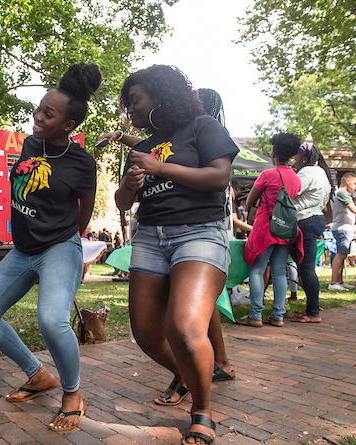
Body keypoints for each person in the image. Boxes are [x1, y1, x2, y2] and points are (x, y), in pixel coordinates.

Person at [0, 62, 100, 432]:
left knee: (51, 320)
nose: (37, 116)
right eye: (39, 108)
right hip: (22, 249)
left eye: (48, 113)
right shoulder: (30, 143)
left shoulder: (82, 162)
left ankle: (72, 393)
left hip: (58, 247)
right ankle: (38, 375)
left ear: (69, 125)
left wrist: (63, 241)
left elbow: (84, 211)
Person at [113, 66, 238, 445]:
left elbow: (219, 177)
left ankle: (202, 411)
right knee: (146, 332)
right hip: (150, 235)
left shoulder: (203, 127)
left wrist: (160, 167)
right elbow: (121, 203)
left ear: (160, 96)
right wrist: (130, 185)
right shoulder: (143, 146)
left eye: (135, 101)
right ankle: (184, 373)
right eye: (127, 104)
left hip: (200, 232)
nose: (129, 110)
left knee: (183, 327)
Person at [239, 133, 302, 328]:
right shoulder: (296, 178)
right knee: (278, 272)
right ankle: (278, 316)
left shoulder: (267, 174)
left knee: (257, 270)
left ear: (274, 153)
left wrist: (257, 201)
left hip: (266, 226)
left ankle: (255, 315)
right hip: (285, 228)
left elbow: (250, 201)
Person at [288, 143, 333, 321]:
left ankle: (313, 312)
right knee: (304, 268)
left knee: (306, 269)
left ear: (304, 158)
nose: (294, 159)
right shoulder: (321, 172)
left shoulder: (307, 173)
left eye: (297, 156)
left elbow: (292, 191)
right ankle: (310, 309)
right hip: (316, 219)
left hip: (304, 221)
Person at [328, 172, 356, 290]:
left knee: (343, 254)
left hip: (343, 227)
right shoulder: (342, 193)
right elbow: (354, 209)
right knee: (340, 254)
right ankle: (334, 282)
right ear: (347, 181)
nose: (355, 187)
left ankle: (339, 280)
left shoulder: (339, 192)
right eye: (354, 183)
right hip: (342, 228)